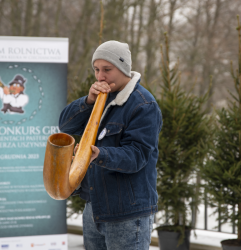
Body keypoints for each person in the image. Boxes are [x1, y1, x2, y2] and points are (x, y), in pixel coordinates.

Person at [59, 40, 162, 250]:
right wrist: (88, 100)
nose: (100, 76)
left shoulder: (143, 104)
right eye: (96, 69)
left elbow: (137, 156)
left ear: (124, 68)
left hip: (127, 213)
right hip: (94, 208)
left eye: (107, 69)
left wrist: (98, 153)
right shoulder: (99, 98)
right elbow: (65, 126)